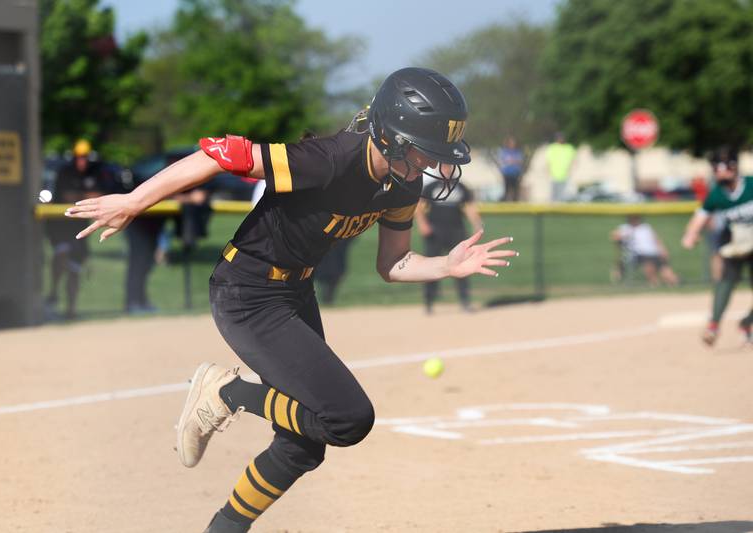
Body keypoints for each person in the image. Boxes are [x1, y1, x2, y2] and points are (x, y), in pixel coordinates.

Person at [64, 67, 518, 532]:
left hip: (293, 291)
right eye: (426, 150)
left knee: (302, 444)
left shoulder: (402, 185)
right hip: (246, 291)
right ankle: (227, 392)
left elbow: (393, 264)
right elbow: (222, 155)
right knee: (347, 418)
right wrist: (134, 201)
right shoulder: (330, 159)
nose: (434, 165)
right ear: (390, 135)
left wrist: (447, 265)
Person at [682, 149, 753, 346]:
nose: (719, 172)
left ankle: (747, 323)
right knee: (726, 282)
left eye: (723, 167)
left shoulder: (751, 185)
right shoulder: (717, 195)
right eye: (715, 168)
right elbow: (700, 217)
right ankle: (713, 325)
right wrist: (691, 235)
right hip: (735, 246)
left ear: (734, 166)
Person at [44, 139, 113, 319]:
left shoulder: (93, 173)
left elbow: (102, 194)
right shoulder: (65, 172)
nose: (82, 161)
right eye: (79, 157)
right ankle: (53, 292)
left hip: (78, 227)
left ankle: (71, 309)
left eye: (85, 157)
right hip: (59, 225)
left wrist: (81, 196)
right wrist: (86, 196)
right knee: (62, 254)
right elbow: (68, 196)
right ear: (74, 157)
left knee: (75, 268)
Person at [414, 177, 484, 313]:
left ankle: (465, 301)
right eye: (444, 165)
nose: (447, 167)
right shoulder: (432, 186)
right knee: (430, 267)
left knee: (462, 267)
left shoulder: (460, 187)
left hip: (457, 232)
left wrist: (477, 225)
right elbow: (419, 206)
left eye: (449, 165)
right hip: (435, 232)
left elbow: (469, 207)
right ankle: (429, 302)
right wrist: (422, 224)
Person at [610, 214, 679, 287]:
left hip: (654, 252)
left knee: (667, 273)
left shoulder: (645, 227)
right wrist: (623, 237)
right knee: (650, 270)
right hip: (640, 254)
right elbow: (614, 236)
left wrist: (663, 250)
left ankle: (678, 283)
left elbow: (656, 239)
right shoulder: (625, 228)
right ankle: (655, 285)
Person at [546, 132, 576, 202]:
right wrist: (548, 172)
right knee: (554, 195)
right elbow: (548, 162)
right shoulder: (552, 148)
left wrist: (571, 171)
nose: (560, 139)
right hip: (554, 175)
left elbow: (573, 161)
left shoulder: (569, 148)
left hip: (565, 175)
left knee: (563, 195)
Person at [497, 136, 524, 202]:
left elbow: (519, 161)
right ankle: (504, 202)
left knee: (515, 190)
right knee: (507, 189)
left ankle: (515, 202)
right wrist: (513, 161)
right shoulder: (504, 151)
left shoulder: (517, 152)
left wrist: (511, 161)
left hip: (515, 173)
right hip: (507, 173)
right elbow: (504, 160)